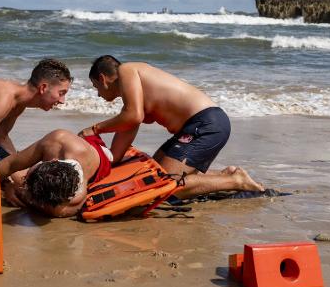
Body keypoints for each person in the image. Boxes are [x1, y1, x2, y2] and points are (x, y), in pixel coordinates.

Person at [79, 55, 264, 199]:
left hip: (206, 123)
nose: (97, 94)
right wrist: (106, 161)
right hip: (193, 128)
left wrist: (94, 129)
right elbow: (124, 137)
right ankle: (225, 175)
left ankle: (235, 181)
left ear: (103, 79)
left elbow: (132, 117)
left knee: (163, 188)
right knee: (149, 178)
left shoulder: (127, 70)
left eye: (96, 87)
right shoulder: (134, 97)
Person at [0, 130, 112, 218]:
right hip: (74, 143)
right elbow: (11, 164)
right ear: (52, 160)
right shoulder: (54, 140)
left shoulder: (77, 194)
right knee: (16, 177)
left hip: (101, 155)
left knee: (18, 181)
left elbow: (58, 212)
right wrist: (6, 184)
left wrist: (24, 195)